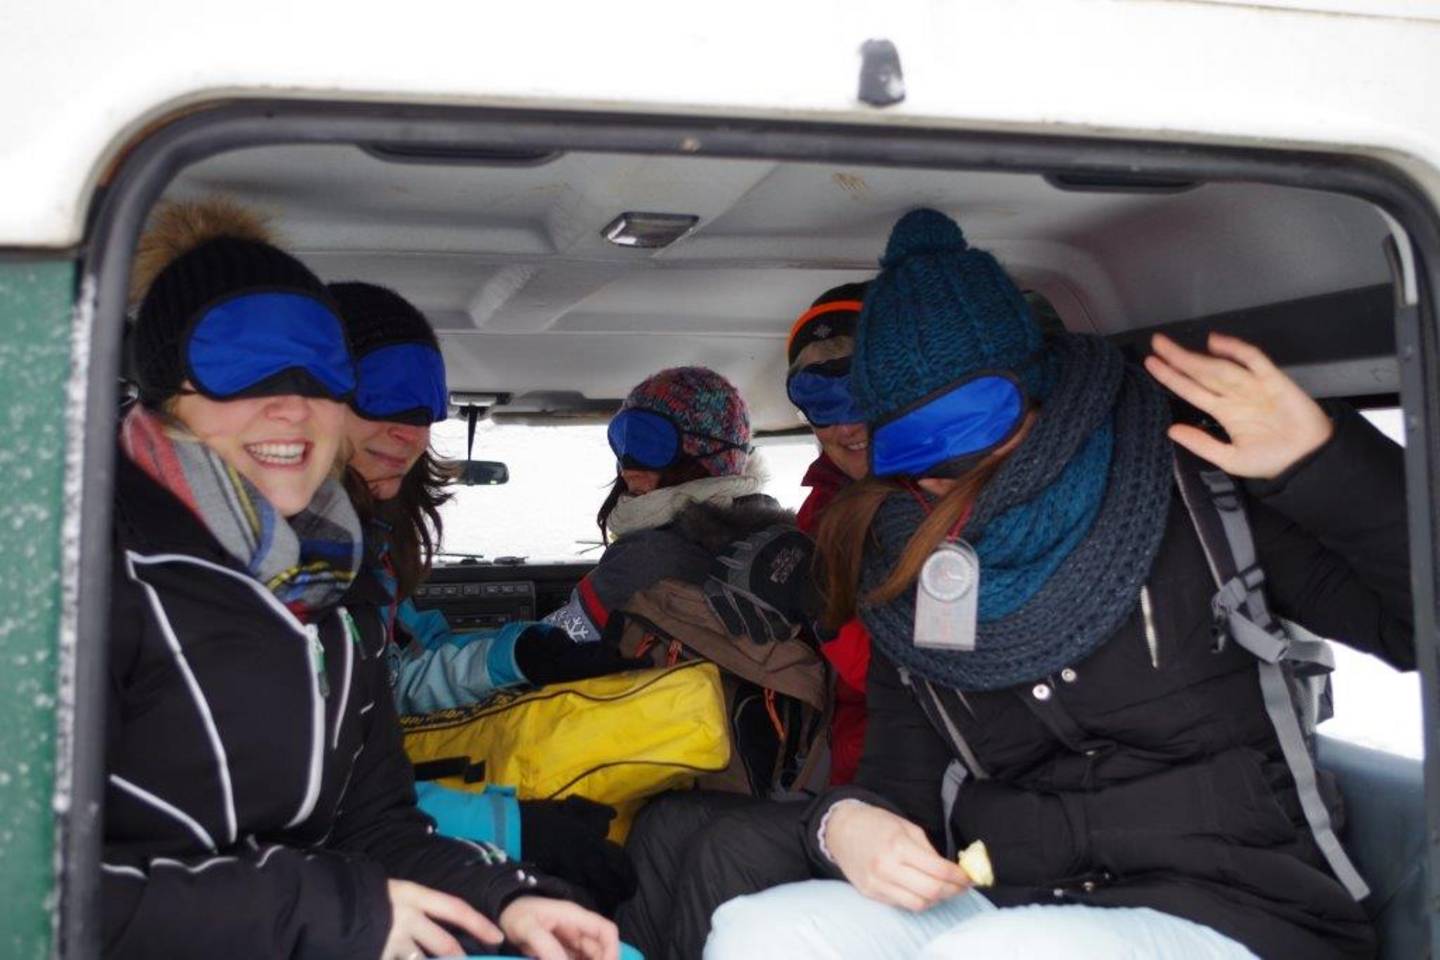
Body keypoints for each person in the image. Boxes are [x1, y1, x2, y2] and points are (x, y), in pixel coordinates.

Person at [702, 208, 1413, 960]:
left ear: (1035, 390)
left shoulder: (1185, 492)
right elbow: (898, 787)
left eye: (974, 419)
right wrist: (842, 824)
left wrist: (1322, 465)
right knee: (760, 931)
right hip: (1018, 899)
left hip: (1239, 908)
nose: (946, 464)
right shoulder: (905, 568)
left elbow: (1412, 629)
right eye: (913, 440)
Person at [104, 198, 618, 960]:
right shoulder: (86, 578)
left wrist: (508, 897)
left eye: (322, 378)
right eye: (240, 372)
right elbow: (41, 888)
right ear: (164, 393)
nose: (291, 408)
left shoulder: (338, 590)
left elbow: (373, 824)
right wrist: (336, 910)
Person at [329, 279, 638, 913]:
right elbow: (318, 785)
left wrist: (517, 657)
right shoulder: (280, 570)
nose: (406, 433)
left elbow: (388, 686)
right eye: (378, 399)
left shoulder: (366, 554)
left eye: (423, 411)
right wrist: (512, 827)